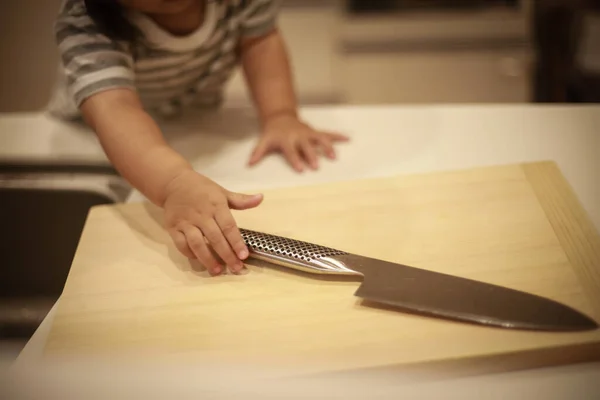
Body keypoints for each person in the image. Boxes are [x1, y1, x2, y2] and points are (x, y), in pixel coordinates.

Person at [48, 0, 349, 276]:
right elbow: (116, 110)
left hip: (188, 119)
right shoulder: (86, 20)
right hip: (95, 136)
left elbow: (260, 42)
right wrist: (174, 183)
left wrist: (280, 115)